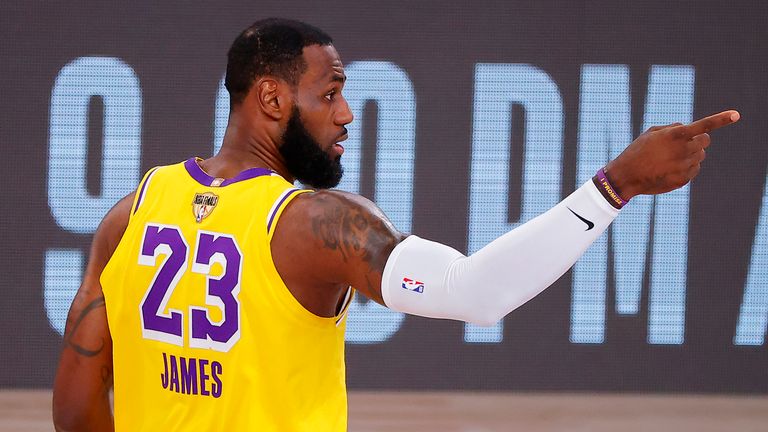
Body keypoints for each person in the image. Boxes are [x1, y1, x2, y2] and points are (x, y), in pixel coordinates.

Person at [52, 17, 740, 432]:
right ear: (271, 97)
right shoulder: (310, 225)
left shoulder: (129, 214)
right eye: (329, 93)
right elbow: (476, 292)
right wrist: (613, 187)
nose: (346, 113)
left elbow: (78, 408)